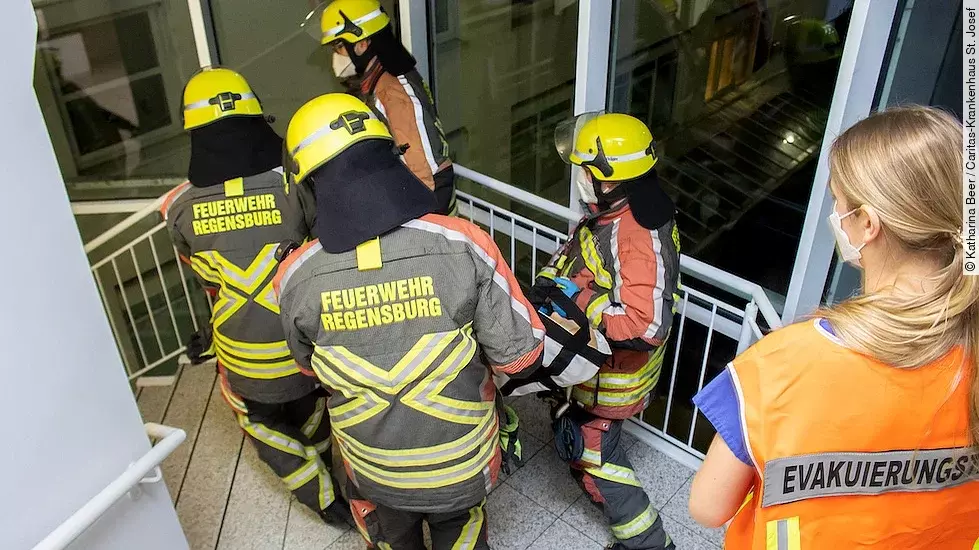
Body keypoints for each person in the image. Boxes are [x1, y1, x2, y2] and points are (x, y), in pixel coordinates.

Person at [688, 106, 979, 547]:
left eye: (838, 202)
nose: (835, 215)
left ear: (866, 224)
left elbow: (708, 507)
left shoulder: (785, 363)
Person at [273, 93, 545, 549]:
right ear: (389, 159)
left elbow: (307, 370)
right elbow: (524, 359)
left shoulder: (294, 275)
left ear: (307, 185)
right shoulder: (466, 242)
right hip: (463, 464)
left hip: (370, 469)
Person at [161, 67, 351, 526]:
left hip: (241, 357)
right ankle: (329, 467)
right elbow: (318, 246)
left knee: (263, 427)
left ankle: (322, 499)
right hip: (301, 344)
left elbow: (202, 273)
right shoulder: (293, 184)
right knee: (311, 408)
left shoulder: (176, 207)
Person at [539, 112, 681, 550]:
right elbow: (592, 263)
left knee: (598, 452)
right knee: (582, 441)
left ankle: (649, 543)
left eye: (584, 169)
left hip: (612, 376)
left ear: (606, 179)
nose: (579, 178)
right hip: (597, 369)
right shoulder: (623, 211)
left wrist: (577, 300)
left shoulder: (636, 232)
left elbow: (646, 326)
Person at [316, 0, 457, 216]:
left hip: (429, 197)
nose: (335, 56)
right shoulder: (380, 78)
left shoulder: (391, 91)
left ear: (362, 44)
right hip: (422, 190)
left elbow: (422, 168)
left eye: (339, 47)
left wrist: (420, 223)